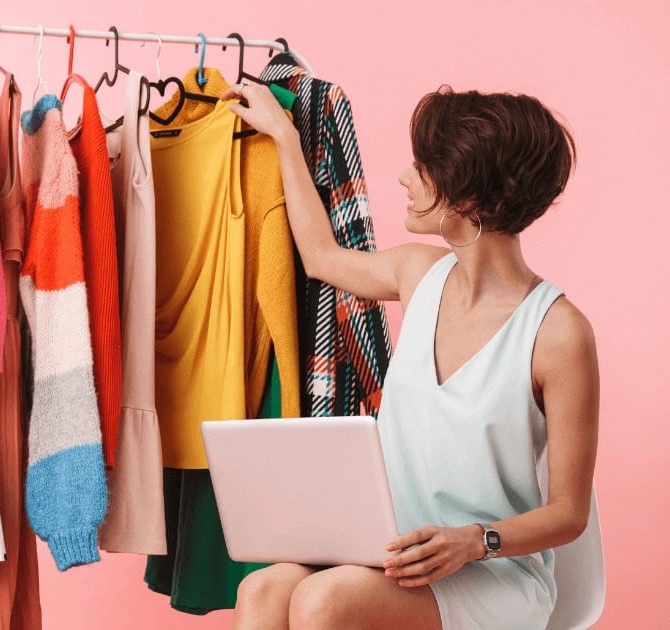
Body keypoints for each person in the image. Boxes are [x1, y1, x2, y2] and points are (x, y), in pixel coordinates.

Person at [219, 83, 600, 630]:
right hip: (398, 553)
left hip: (494, 573)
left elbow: (569, 513)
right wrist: (283, 136)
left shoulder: (559, 333)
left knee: (323, 602)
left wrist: (474, 540)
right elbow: (320, 257)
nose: (404, 177)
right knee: (260, 589)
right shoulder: (418, 274)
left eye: (423, 167)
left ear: (467, 198)